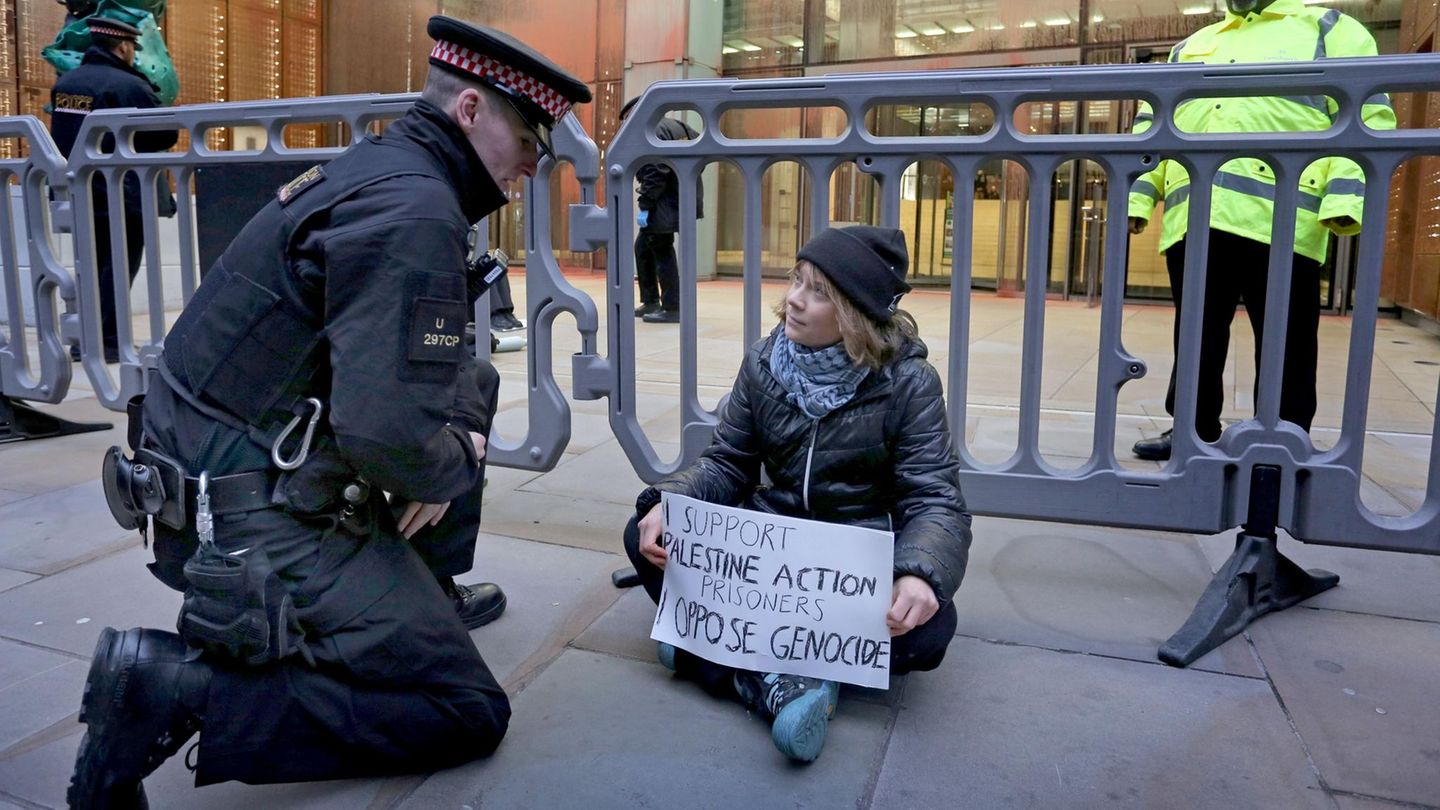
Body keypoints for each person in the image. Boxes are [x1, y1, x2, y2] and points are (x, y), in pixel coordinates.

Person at [70, 16, 590, 806]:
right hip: (247, 516)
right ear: (472, 111)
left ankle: (419, 598)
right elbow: (386, 438)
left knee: (469, 384)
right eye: (526, 134)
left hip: (203, 471)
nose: (532, 159)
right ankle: (175, 688)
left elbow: (410, 375)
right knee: (465, 710)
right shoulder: (415, 212)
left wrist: (442, 442)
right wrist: (455, 461)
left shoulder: (384, 167)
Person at [622, 226, 972, 762]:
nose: (793, 300)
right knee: (644, 534)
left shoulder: (908, 383)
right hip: (769, 556)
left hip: (851, 565)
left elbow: (934, 499)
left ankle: (720, 657)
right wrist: (671, 503)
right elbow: (726, 461)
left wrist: (919, 573)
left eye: (818, 292)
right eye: (796, 281)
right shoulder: (765, 362)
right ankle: (786, 676)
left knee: (931, 630)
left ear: (854, 313)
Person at [1128, 0, 1395, 460]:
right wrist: (1138, 196)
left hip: (1285, 218)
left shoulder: (1329, 29)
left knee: (1286, 339)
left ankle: (1282, 438)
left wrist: (1345, 200)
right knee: (1196, 335)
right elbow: (1153, 125)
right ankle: (1192, 431)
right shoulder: (1193, 45)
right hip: (1196, 215)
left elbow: (1367, 116)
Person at [49, 16, 178, 364]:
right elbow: (165, 133)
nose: (134, 54)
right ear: (122, 47)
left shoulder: (68, 83)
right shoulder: (128, 85)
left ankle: (84, 341)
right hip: (122, 193)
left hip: (79, 190)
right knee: (118, 269)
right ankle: (108, 342)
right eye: (133, 48)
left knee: (89, 267)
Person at [618, 96, 703, 324]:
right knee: (644, 248)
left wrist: (645, 204)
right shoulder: (678, 126)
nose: (626, 124)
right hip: (681, 198)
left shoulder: (651, 129)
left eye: (627, 118)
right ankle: (651, 300)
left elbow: (656, 169)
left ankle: (673, 307)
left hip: (663, 202)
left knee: (662, 250)